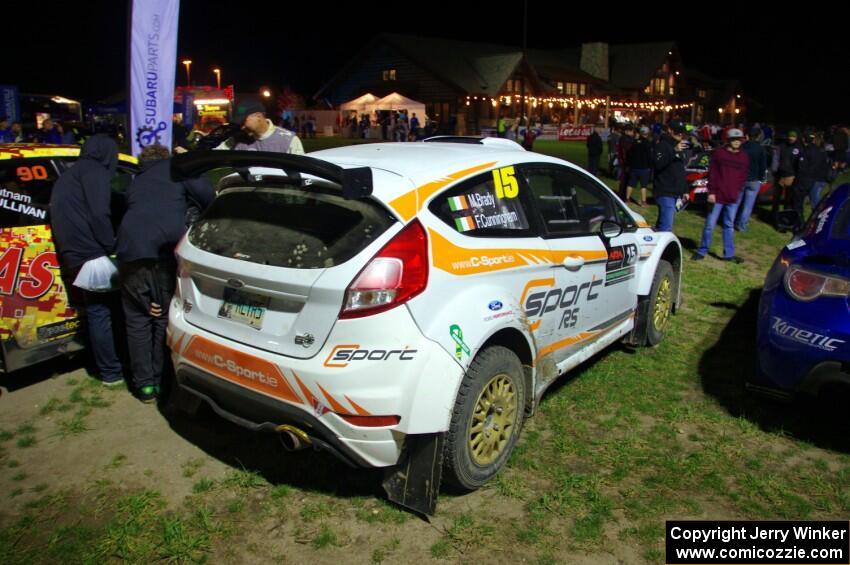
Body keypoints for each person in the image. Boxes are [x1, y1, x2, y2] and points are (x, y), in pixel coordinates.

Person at [116, 144, 214, 403]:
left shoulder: (136, 180)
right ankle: (161, 382)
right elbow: (208, 197)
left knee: (137, 319)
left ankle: (144, 386)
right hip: (162, 252)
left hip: (128, 253)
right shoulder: (176, 170)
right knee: (161, 317)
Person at [49, 135, 124, 386]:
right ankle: (114, 369)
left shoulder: (68, 176)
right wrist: (111, 244)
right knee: (112, 312)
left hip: (75, 255)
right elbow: (99, 213)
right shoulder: (95, 172)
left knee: (96, 313)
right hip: (95, 254)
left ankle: (106, 370)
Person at [692, 128, 749, 263]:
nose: (736, 142)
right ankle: (702, 251)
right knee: (710, 224)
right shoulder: (719, 154)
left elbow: (743, 176)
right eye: (733, 139)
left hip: (733, 197)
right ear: (728, 140)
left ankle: (729, 254)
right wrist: (712, 192)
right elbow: (713, 173)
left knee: (728, 225)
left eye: (738, 139)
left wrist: (738, 191)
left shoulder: (744, 157)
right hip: (717, 196)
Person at [218, 98, 304, 154]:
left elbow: (302, 173)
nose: (242, 127)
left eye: (244, 121)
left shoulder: (289, 140)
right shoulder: (237, 139)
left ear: (258, 116)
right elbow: (215, 155)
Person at [652, 120, 689, 232]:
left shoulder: (681, 147)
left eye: (682, 132)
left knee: (661, 226)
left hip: (675, 192)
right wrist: (674, 151)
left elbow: (680, 171)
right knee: (666, 229)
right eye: (678, 132)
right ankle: (665, 249)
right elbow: (658, 164)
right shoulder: (662, 145)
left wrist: (685, 190)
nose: (681, 135)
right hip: (664, 191)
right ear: (670, 131)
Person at [734, 127, 768, 232]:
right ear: (758, 136)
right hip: (754, 180)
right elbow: (763, 166)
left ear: (747, 136)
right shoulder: (761, 149)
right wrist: (762, 177)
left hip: (741, 178)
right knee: (748, 205)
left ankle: (730, 222)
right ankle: (742, 226)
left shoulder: (742, 147)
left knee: (736, 203)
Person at [795, 132, 830, 213]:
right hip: (822, 179)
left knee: (815, 201)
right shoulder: (823, 151)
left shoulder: (811, 150)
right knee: (814, 199)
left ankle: (819, 217)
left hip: (816, 179)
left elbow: (805, 166)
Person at [772, 130, 803, 217]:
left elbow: (800, 163)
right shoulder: (781, 146)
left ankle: (785, 216)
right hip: (780, 175)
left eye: (793, 137)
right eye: (790, 137)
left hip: (791, 176)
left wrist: (797, 175)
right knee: (776, 197)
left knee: (788, 199)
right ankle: (774, 214)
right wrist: (775, 170)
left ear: (796, 138)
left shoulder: (799, 148)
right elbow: (776, 159)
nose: (791, 139)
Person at [625, 126, 653, 206]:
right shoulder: (648, 143)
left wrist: (629, 164)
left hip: (634, 167)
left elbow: (630, 155)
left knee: (631, 184)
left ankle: (627, 199)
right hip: (644, 168)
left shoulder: (635, 142)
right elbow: (649, 157)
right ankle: (644, 202)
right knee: (643, 186)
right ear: (647, 134)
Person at [617, 124, 635, 198]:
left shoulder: (625, 139)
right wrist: (627, 163)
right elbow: (626, 152)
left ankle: (623, 194)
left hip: (625, 162)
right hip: (626, 162)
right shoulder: (626, 139)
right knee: (625, 179)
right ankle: (622, 195)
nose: (633, 133)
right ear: (627, 131)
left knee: (625, 179)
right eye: (632, 131)